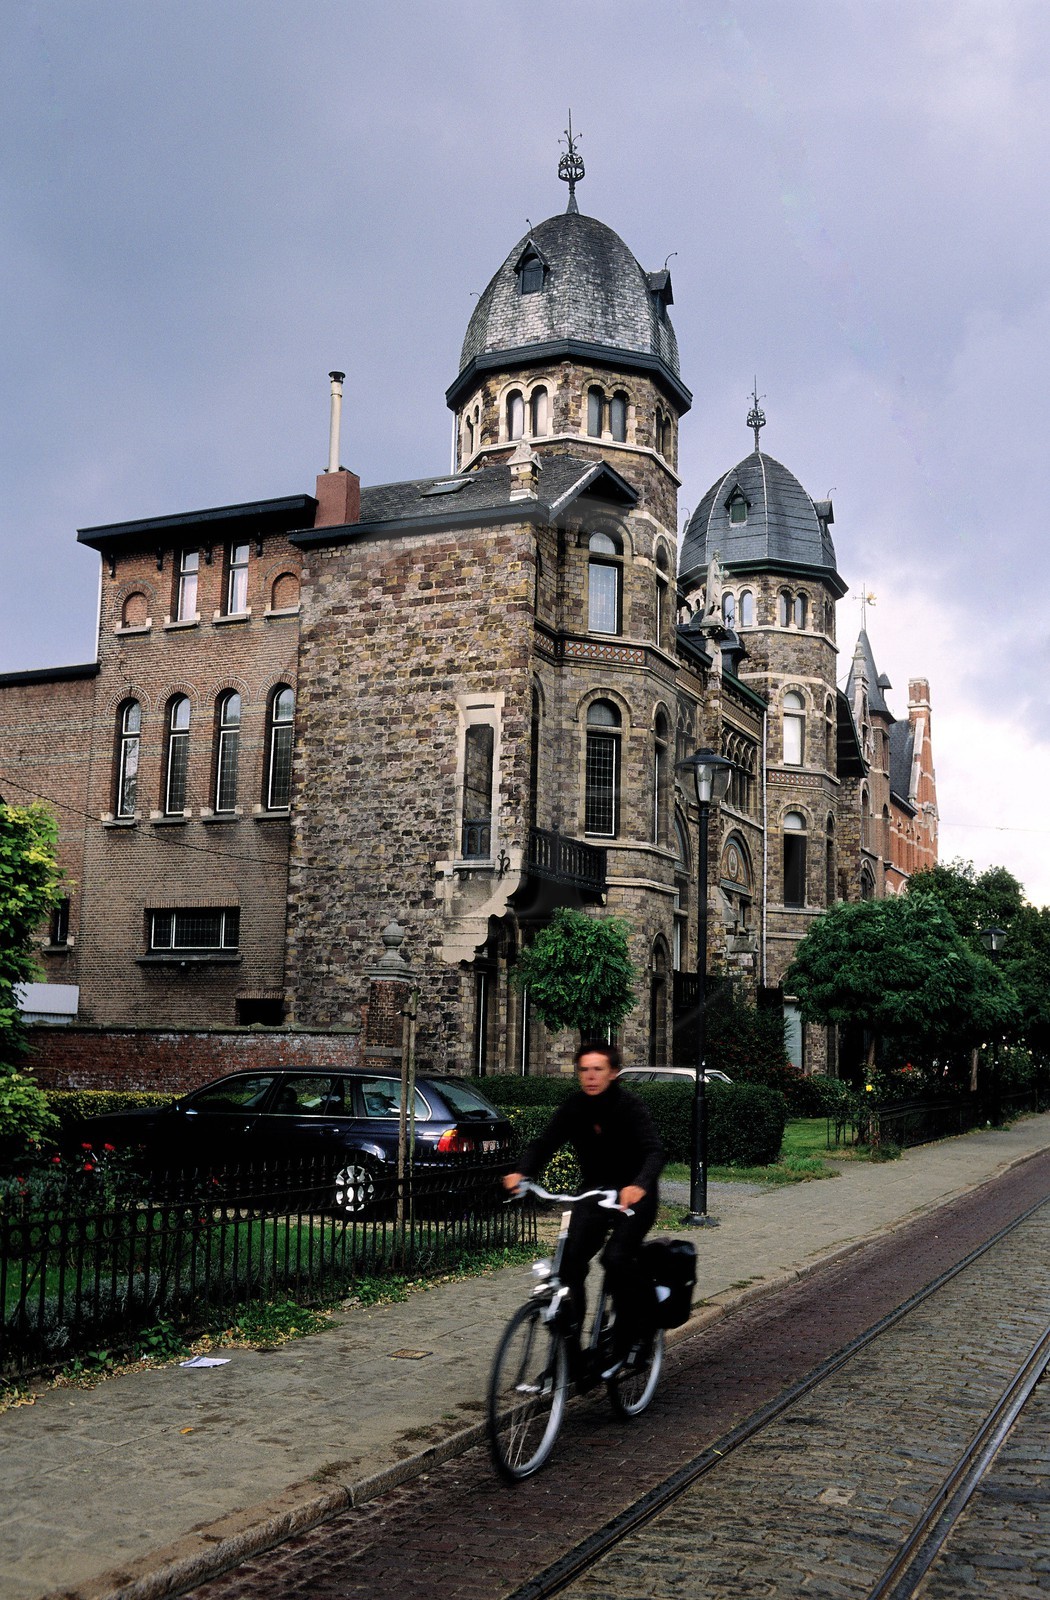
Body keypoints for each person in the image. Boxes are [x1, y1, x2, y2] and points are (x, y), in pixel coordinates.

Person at [503, 1040, 664, 1377]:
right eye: (584, 1070)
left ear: (614, 1073)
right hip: (593, 1194)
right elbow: (545, 1142)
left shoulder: (629, 1106)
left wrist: (639, 1185)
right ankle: (570, 1359)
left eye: (598, 1070)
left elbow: (653, 1151)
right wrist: (523, 1171)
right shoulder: (575, 1107)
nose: (590, 1077)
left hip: (635, 1196)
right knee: (568, 1265)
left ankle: (633, 1335)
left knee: (616, 1259)